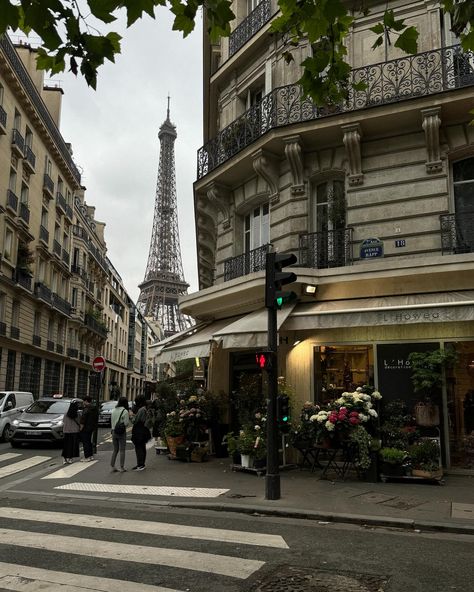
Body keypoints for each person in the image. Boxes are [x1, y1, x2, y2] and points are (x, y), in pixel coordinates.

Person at [110, 397, 130, 473]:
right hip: (121, 432)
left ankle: (112, 465)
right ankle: (122, 467)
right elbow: (126, 423)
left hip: (114, 431)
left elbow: (112, 422)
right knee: (122, 450)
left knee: (115, 450)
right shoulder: (125, 411)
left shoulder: (114, 410)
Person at [131, 395, 150, 471]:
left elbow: (134, 421)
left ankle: (140, 465)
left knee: (139, 447)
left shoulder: (141, 410)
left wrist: (131, 415)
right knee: (142, 447)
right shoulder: (145, 408)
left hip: (139, 430)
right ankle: (141, 464)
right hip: (144, 429)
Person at [79, 395, 98, 461]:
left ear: (86, 401)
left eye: (83, 401)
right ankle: (91, 456)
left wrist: (80, 428)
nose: (83, 403)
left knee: (85, 442)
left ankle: (86, 457)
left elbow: (83, 420)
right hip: (91, 427)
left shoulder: (86, 409)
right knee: (89, 442)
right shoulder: (94, 408)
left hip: (85, 428)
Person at [62, 400, 81, 464]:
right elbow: (79, 422)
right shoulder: (77, 414)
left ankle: (64, 458)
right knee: (72, 445)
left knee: (66, 445)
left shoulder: (66, 414)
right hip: (74, 431)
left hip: (66, 431)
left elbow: (63, 421)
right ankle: (70, 458)